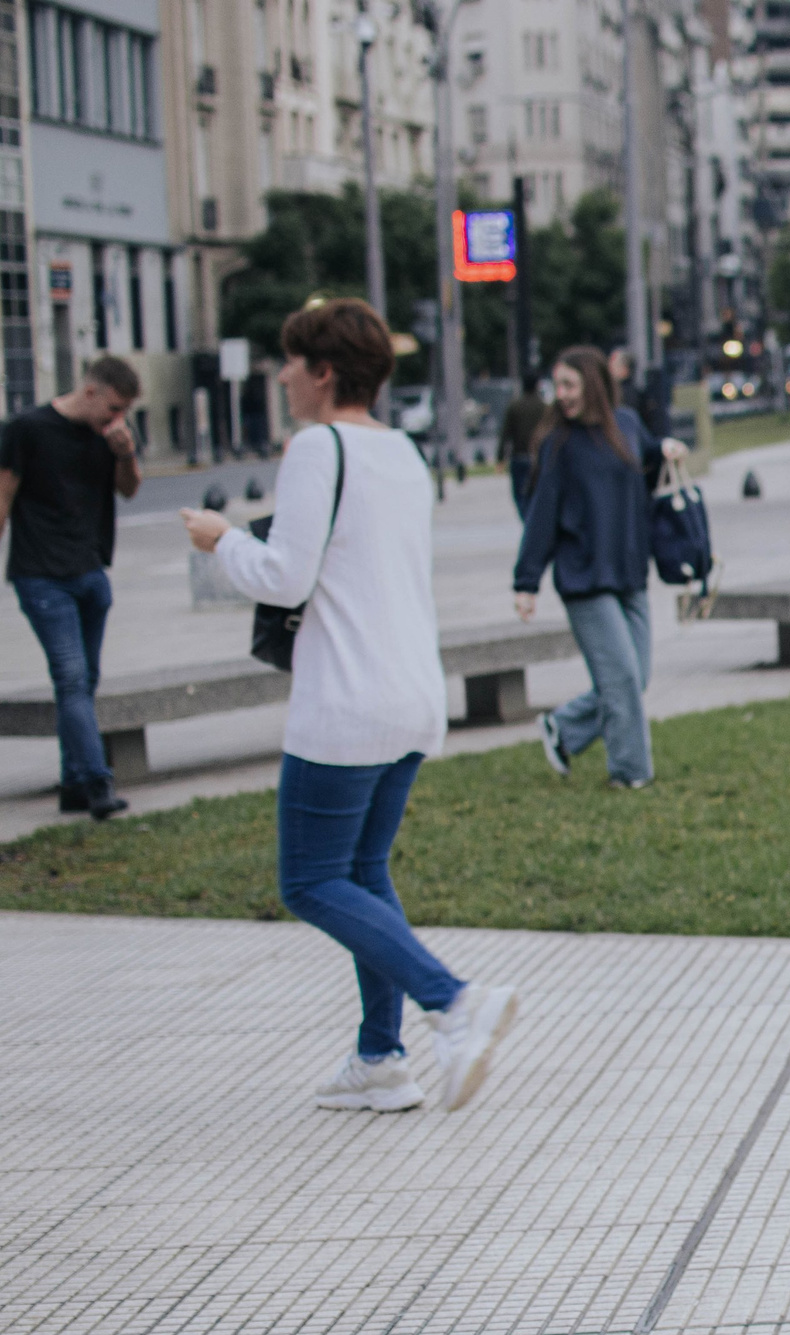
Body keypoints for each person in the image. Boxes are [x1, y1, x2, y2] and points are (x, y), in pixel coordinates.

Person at [176, 299, 517, 1113]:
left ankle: (453, 1001)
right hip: (408, 693)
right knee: (363, 871)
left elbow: (286, 576)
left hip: (346, 700)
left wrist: (222, 538)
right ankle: (380, 1057)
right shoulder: (400, 450)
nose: (284, 376)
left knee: (309, 879)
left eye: (291, 363)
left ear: (324, 372)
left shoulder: (315, 446)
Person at [514, 346, 662, 790]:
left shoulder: (628, 425)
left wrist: (667, 451)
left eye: (569, 385)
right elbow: (541, 516)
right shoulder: (561, 445)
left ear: (593, 385)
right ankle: (631, 773)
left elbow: (649, 460)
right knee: (620, 678)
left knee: (637, 676)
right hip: (585, 577)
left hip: (630, 573)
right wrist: (526, 582)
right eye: (556, 387)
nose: (560, 396)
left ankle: (565, 728)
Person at [1, 354, 141, 820]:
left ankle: (74, 785)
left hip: (90, 572)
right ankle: (99, 782)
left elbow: (129, 490)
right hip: (41, 574)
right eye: (113, 408)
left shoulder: (106, 440)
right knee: (72, 678)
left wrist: (126, 453)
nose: (116, 418)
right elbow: (3, 494)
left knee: (83, 683)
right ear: (90, 392)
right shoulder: (26, 430)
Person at [498, 373, 548, 518]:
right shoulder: (544, 407)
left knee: (519, 495)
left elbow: (505, 433)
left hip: (519, 456)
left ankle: (527, 519)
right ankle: (533, 519)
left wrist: (500, 457)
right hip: (539, 457)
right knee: (537, 493)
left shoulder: (515, 407)